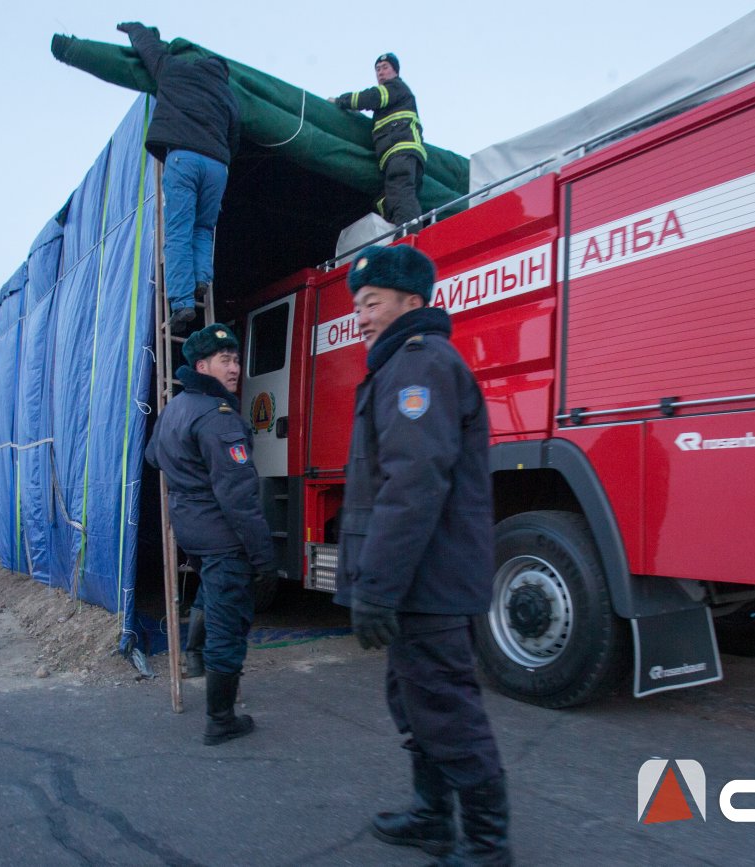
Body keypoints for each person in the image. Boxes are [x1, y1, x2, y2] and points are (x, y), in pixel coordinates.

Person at [336, 245, 510, 865]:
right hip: (418, 580)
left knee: (445, 709)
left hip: (426, 583)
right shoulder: (399, 366)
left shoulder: (418, 365)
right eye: (357, 304)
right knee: (412, 700)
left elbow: (412, 484)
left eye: (371, 302)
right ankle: (434, 815)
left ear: (411, 301)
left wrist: (377, 586)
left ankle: (488, 846)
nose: (361, 315)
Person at [144, 323, 274, 745]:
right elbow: (239, 495)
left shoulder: (176, 408)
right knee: (228, 622)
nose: (235, 367)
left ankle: (196, 658)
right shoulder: (217, 417)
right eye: (225, 360)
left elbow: (152, 457)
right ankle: (221, 719)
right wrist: (264, 556)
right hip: (222, 535)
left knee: (210, 594)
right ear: (202, 365)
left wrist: (188, 479)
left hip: (192, 530)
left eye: (236, 359)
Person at [118, 21, 240, 335]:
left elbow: (149, 50)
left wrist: (136, 29)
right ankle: (201, 278)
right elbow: (234, 137)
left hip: (183, 157)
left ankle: (182, 301)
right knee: (203, 227)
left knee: (178, 231)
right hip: (217, 166)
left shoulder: (176, 71)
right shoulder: (228, 96)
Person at [329, 53, 426, 228]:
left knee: (401, 195)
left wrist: (340, 101)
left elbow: (370, 98)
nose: (380, 72)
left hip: (400, 153)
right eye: (378, 69)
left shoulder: (395, 87)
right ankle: (397, 233)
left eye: (385, 67)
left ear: (395, 71)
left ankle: (409, 236)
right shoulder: (393, 101)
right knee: (384, 200)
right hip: (400, 157)